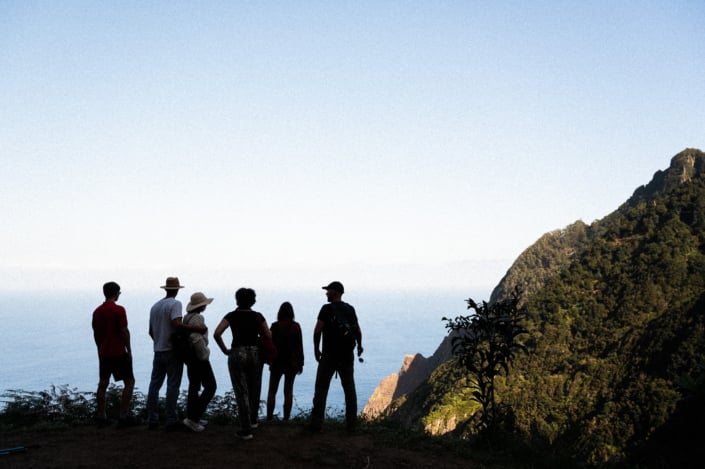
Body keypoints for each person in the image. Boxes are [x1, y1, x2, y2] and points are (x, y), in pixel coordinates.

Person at [146, 277, 206, 430]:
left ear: (165, 289)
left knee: (154, 385)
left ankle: (152, 418)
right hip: (171, 350)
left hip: (158, 350)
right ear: (177, 289)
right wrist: (196, 329)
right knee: (173, 385)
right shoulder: (175, 304)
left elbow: (151, 331)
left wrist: (158, 342)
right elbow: (176, 324)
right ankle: (171, 419)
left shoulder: (155, 306)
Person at [214, 287, 272, 440]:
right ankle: (253, 420)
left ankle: (246, 430)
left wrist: (225, 350)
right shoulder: (258, 316)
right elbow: (268, 335)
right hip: (255, 353)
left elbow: (217, 333)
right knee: (255, 387)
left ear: (237, 300)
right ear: (253, 300)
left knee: (241, 391)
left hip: (237, 352)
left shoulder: (231, 316)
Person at [307, 281, 363, 432]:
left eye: (328, 291)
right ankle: (352, 425)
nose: (326, 293)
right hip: (346, 355)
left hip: (329, 356)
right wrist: (360, 346)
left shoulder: (326, 309)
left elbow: (317, 330)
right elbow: (357, 330)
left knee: (321, 388)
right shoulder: (350, 309)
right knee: (349, 389)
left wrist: (316, 349)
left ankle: (316, 424)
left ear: (336, 292)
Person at [91, 281, 141, 428]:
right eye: (119, 292)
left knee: (103, 383)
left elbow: (96, 333)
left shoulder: (97, 311)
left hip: (104, 353)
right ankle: (123, 416)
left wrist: (99, 348)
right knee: (129, 382)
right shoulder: (119, 310)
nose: (119, 294)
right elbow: (124, 330)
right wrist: (129, 350)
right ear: (116, 293)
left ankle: (101, 416)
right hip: (118, 351)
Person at [182, 291, 217, 432]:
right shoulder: (197, 318)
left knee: (194, 386)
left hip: (190, 357)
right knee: (211, 386)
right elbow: (196, 339)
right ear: (201, 306)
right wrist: (205, 354)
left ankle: (192, 416)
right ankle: (193, 418)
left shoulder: (187, 317)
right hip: (199, 358)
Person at [266, 302, 304, 421]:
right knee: (288, 391)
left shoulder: (274, 326)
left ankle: (269, 418)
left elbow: (269, 345)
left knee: (272, 390)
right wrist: (300, 363)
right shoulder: (295, 326)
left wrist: (269, 360)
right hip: (291, 362)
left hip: (277, 361)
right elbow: (299, 346)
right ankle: (286, 419)